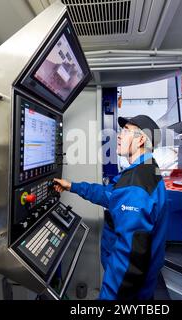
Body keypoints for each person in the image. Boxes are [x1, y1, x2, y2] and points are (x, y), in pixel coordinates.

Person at [54, 115, 168, 300]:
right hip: (141, 286)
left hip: (127, 291)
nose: (119, 136)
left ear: (141, 140)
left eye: (126, 131)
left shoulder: (136, 186)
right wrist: (72, 186)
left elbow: (129, 261)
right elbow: (109, 195)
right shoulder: (145, 171)